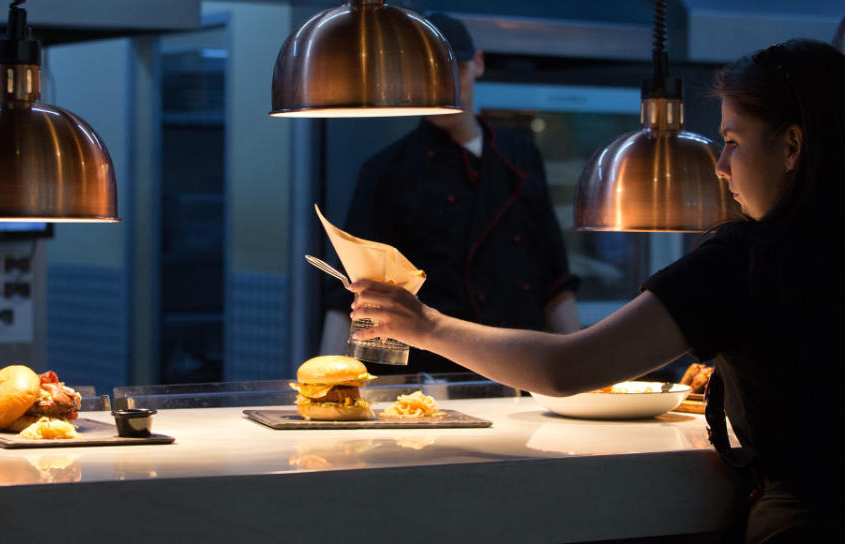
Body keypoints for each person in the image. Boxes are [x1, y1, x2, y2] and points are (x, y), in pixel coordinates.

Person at [348, 38, 845, 542]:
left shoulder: (747, 259)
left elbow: (564, 368)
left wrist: (426, 325)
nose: (720, 167)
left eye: (733, 142)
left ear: (791, 146)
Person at [320, 12, 580, 374]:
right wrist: (332, 377)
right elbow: (353, 293)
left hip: (521, 362)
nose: (440, 88)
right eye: (426, 77)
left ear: (478, 63)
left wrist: (583, 369)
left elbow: (555, 279)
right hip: (430, 373)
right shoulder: (386, 170)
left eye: (452, 71)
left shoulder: (521, 155)